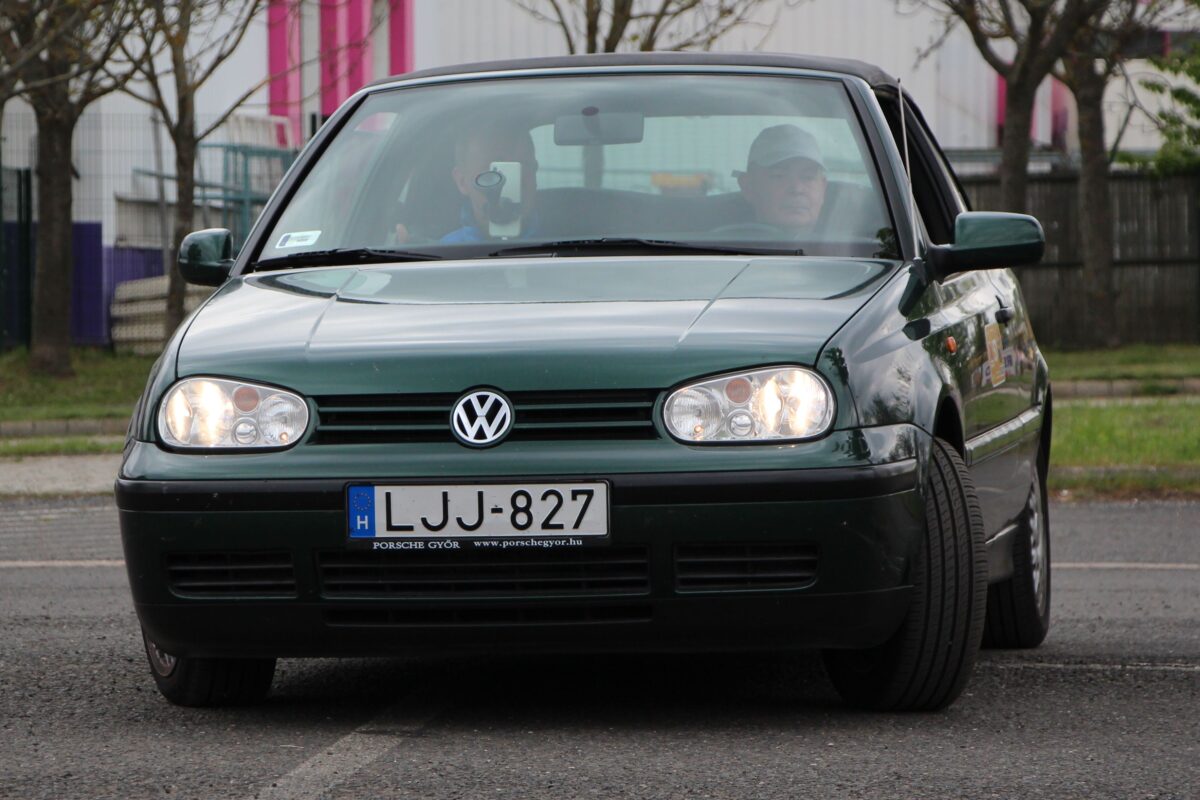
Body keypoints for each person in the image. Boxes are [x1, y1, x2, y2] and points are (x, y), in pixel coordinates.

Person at [440, 123, 540, 243]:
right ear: (462, 181)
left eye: (524, 165)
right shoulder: (444, 251)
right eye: (495, 169)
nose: (511, 182)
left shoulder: (560, 241)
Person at [734, 124, 828, 236]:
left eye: (808, 177)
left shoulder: (844, 241)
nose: (797, 189)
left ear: (823, 188)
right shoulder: (721, 243)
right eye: (779, 176)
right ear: (748, 186)